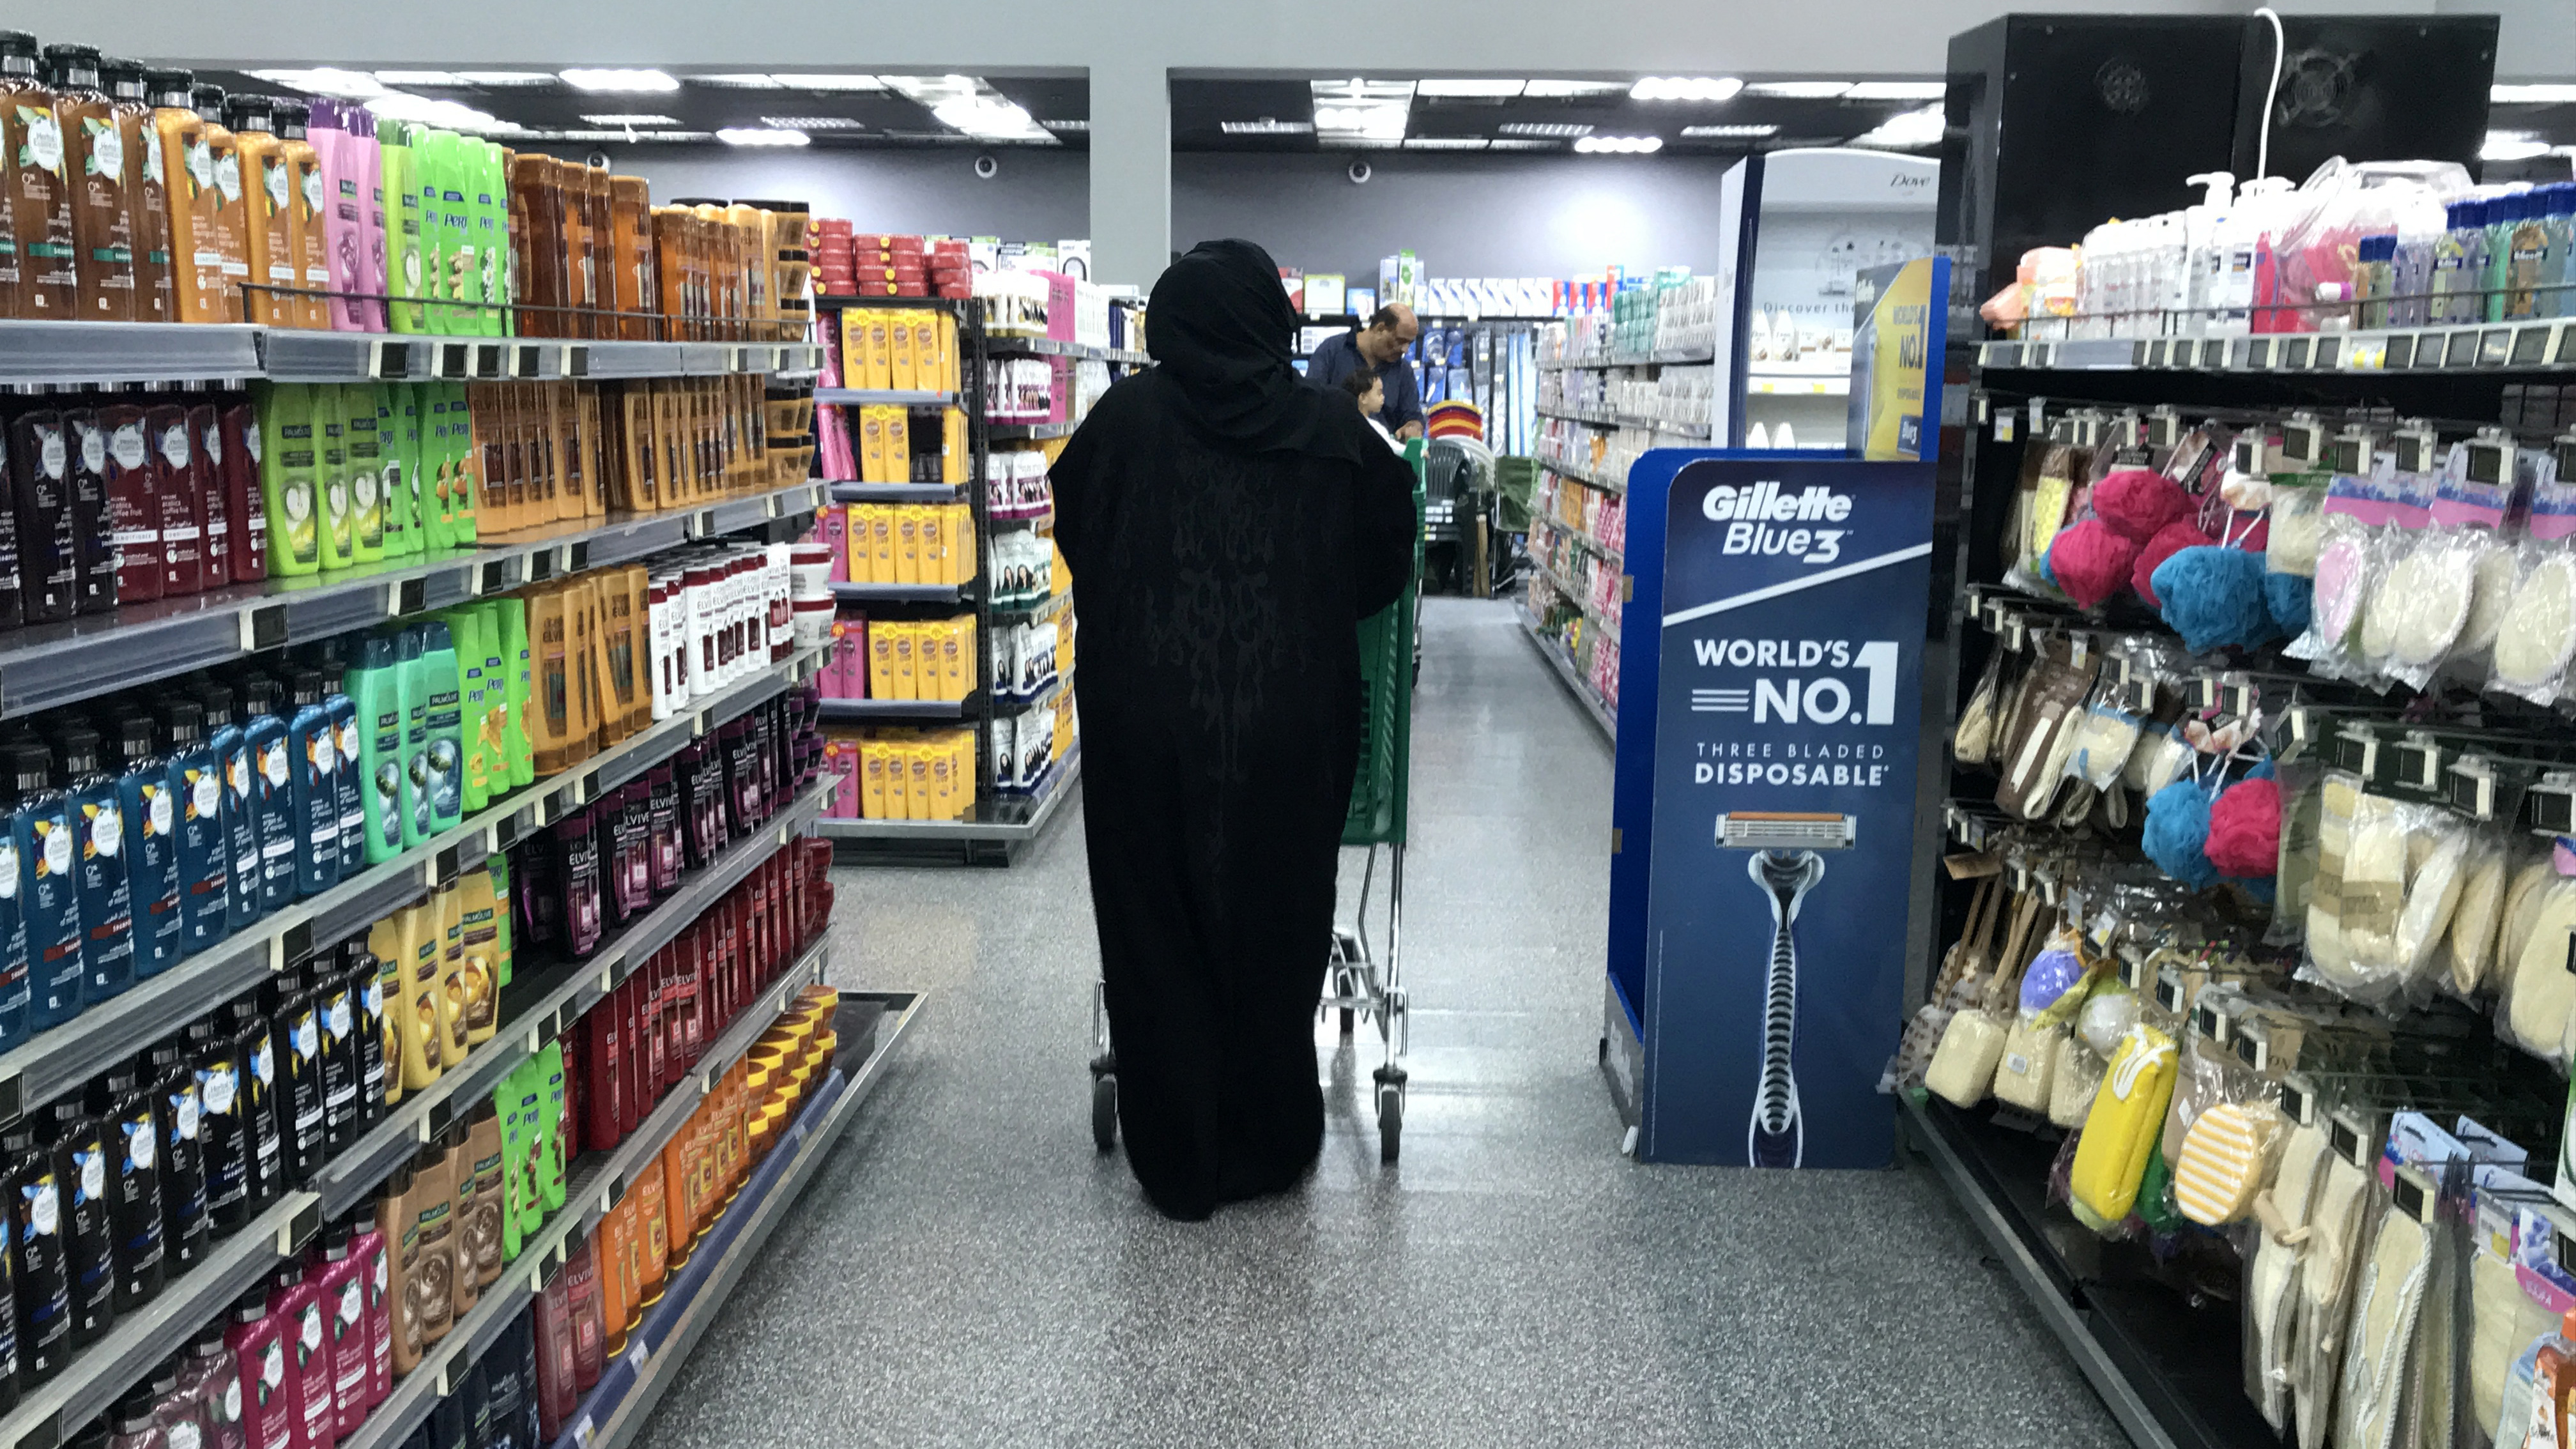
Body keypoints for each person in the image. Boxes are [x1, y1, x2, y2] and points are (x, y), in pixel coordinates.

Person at [1049, 239, 1418, 1222]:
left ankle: (1177, 1152)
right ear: (1273, 322)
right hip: (1290, 720)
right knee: (1279, 919)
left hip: (1144, 722)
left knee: (1153, 917)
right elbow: (1386, 556)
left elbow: (1077, 530)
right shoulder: (1331, 430)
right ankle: (1268, 1139)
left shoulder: (1123, 422)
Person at [1307, 303, 1427, 440]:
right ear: (1381, 329)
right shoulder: (1332, 351)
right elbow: (1311, 401)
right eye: (1400, 341)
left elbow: (1413, 414)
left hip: (1385, 448)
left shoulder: (1403, 370)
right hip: (1335, 445)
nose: (1405, 349)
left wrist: (1413, 427)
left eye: (1409, 343)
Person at [1340, 369, 1402, 450]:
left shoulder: (1341, 425)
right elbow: (1391, 448)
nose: (1383, 397)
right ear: (1363, 398)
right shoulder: (1374, 429)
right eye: (1379, 393)